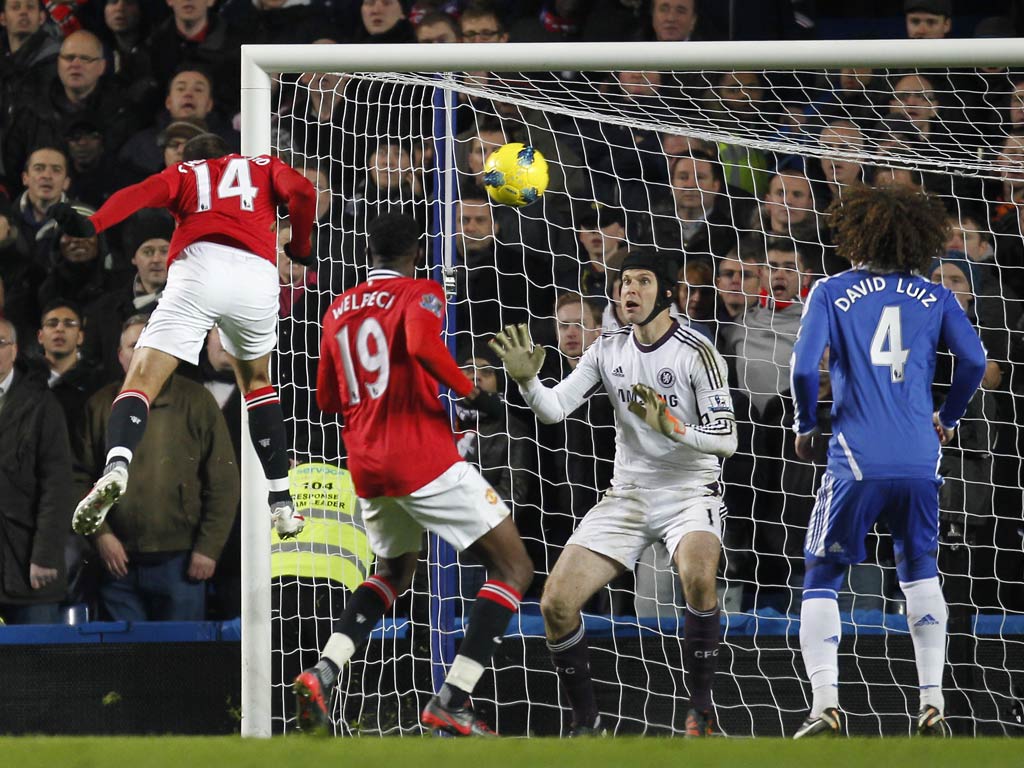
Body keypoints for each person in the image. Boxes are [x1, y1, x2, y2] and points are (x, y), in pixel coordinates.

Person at [292, 212, 533, 737]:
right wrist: (476, 396)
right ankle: (453, 698)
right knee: (514, 568)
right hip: (421, 456)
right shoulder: (421, 292)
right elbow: (423, 346)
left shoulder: (337, 309)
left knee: (393, 573)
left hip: (366, 465)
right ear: (415, 252)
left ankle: (325, 670)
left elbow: (327, 398)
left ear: (369, 253)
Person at [489, 251, 737, 737]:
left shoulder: (697, 350)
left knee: (699, 580)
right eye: (625, 281)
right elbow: (554, 410)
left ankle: (701, 710)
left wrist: (671, 425)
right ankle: (588, 724)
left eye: (643, 281)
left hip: (689, 491)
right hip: (627, 494)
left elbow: (726, 439)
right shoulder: (607, 348)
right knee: (555, 604)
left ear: (667, 293)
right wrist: (526, 380)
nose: (630, 290)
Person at [50, 133, 317, 544]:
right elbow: (303, 191)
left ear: (189, 158)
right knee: (258, 384)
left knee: (140, 377)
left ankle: (118, 465)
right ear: (228, 155)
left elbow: (138, 194)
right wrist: (300, 245)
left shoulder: (185, 173)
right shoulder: (262, 167)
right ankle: (281, 500)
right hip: (255, 275)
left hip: (199, 269)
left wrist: (94, 223)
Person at [789, 185, 987, 738]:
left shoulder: (831, 290)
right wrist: (947, 416)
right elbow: (974, 359)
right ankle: (932, 702)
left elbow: (805, 370)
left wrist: (808, 425)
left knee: (823, 573)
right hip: (921, 460)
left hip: (856, 455)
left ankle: (825, 704)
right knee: (920, 571)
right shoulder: (937, 294)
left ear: (857, 235)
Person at [75, 314, 239, 621]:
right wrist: (101, 536)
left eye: (149, 345)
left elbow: (224, 481)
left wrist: (209, 548)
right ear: (120, 355)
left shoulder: (197, 402)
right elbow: (77, 477)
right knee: (125, 665)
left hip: (182, 564)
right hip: (116, 566)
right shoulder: (98, 406)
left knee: (180, 664)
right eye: (133, 346)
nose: (141, 353)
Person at [0, 316, 74, 624]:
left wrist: (44, 556)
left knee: (37, 668)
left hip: (30, 565)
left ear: (15, 350)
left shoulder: (42, 404)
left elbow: (57, 487)